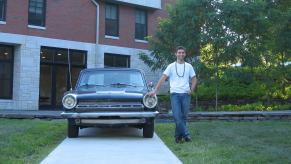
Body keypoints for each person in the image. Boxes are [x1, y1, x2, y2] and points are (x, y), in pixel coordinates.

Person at [148, 46, 197, 143]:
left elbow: (194, 78)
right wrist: (155, 90)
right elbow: (163, 78)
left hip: (186, 94)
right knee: (177, 116)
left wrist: (192, 90)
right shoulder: (170, 66)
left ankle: (178, 137)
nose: (181, 54)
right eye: (179, 52)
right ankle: (186, 135)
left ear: (185, 54)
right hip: (175, 94)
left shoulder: (189, 66)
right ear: (176, 54)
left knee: (183, 117)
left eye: (183, 52)